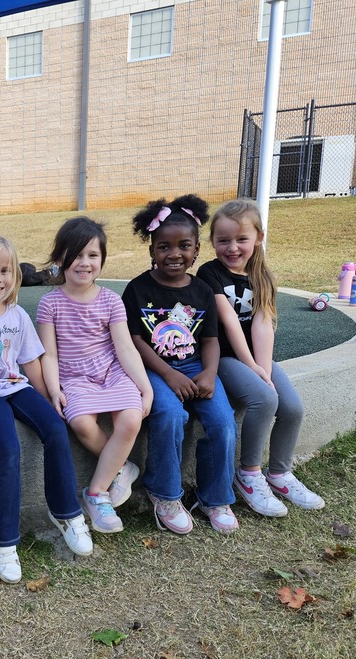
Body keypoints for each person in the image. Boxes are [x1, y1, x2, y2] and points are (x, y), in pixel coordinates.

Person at [0, 236, 94, 584]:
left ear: (14, 275)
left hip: (14, 386)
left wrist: (47, 398)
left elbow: (29, 362)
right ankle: (2, 540)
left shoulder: (17, 315)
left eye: (5, 270)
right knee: (8, 447)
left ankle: (67, 512)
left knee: (55, 428)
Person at [199, 199, 325, 515]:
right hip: (224, 358)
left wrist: (264, 367)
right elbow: (228, 320)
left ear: (258, 237)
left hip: (255, 357)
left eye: (241, 239)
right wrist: (252, 366)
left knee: (292, 407)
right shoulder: (208, 273)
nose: (232, 247)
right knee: (265, 399)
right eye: (223, 240)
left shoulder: (262, 274)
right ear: (212, 240)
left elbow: (263, 322)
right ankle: (248, 474)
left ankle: (280, 473)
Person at [121, 195, 238, 535]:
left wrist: (210, 373)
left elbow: (211, 340)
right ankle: (165, 494)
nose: (174, 254)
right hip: (155, 370)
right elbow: (135, 341)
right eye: (164, 247)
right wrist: (169, 374)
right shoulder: (138, 289)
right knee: (171, 414)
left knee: (223, 421)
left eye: (184, 246)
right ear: (151, 251)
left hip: (196, 368)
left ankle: (215, 497)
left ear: (197, 249)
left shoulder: (202, 291)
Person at [36, 217, 154, 534]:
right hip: (75, 379)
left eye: (93, 255)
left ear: (102, 259)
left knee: (131, 419)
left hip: (111, 373)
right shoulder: (50, 304)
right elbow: (48, 354)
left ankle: (95, 493)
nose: (85, 263)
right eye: (76, 255)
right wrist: (53, 390)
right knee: (80, 422)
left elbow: (126, 349)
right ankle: (121, 466)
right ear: (60, 259)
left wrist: (146, 389)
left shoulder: (110, 300)